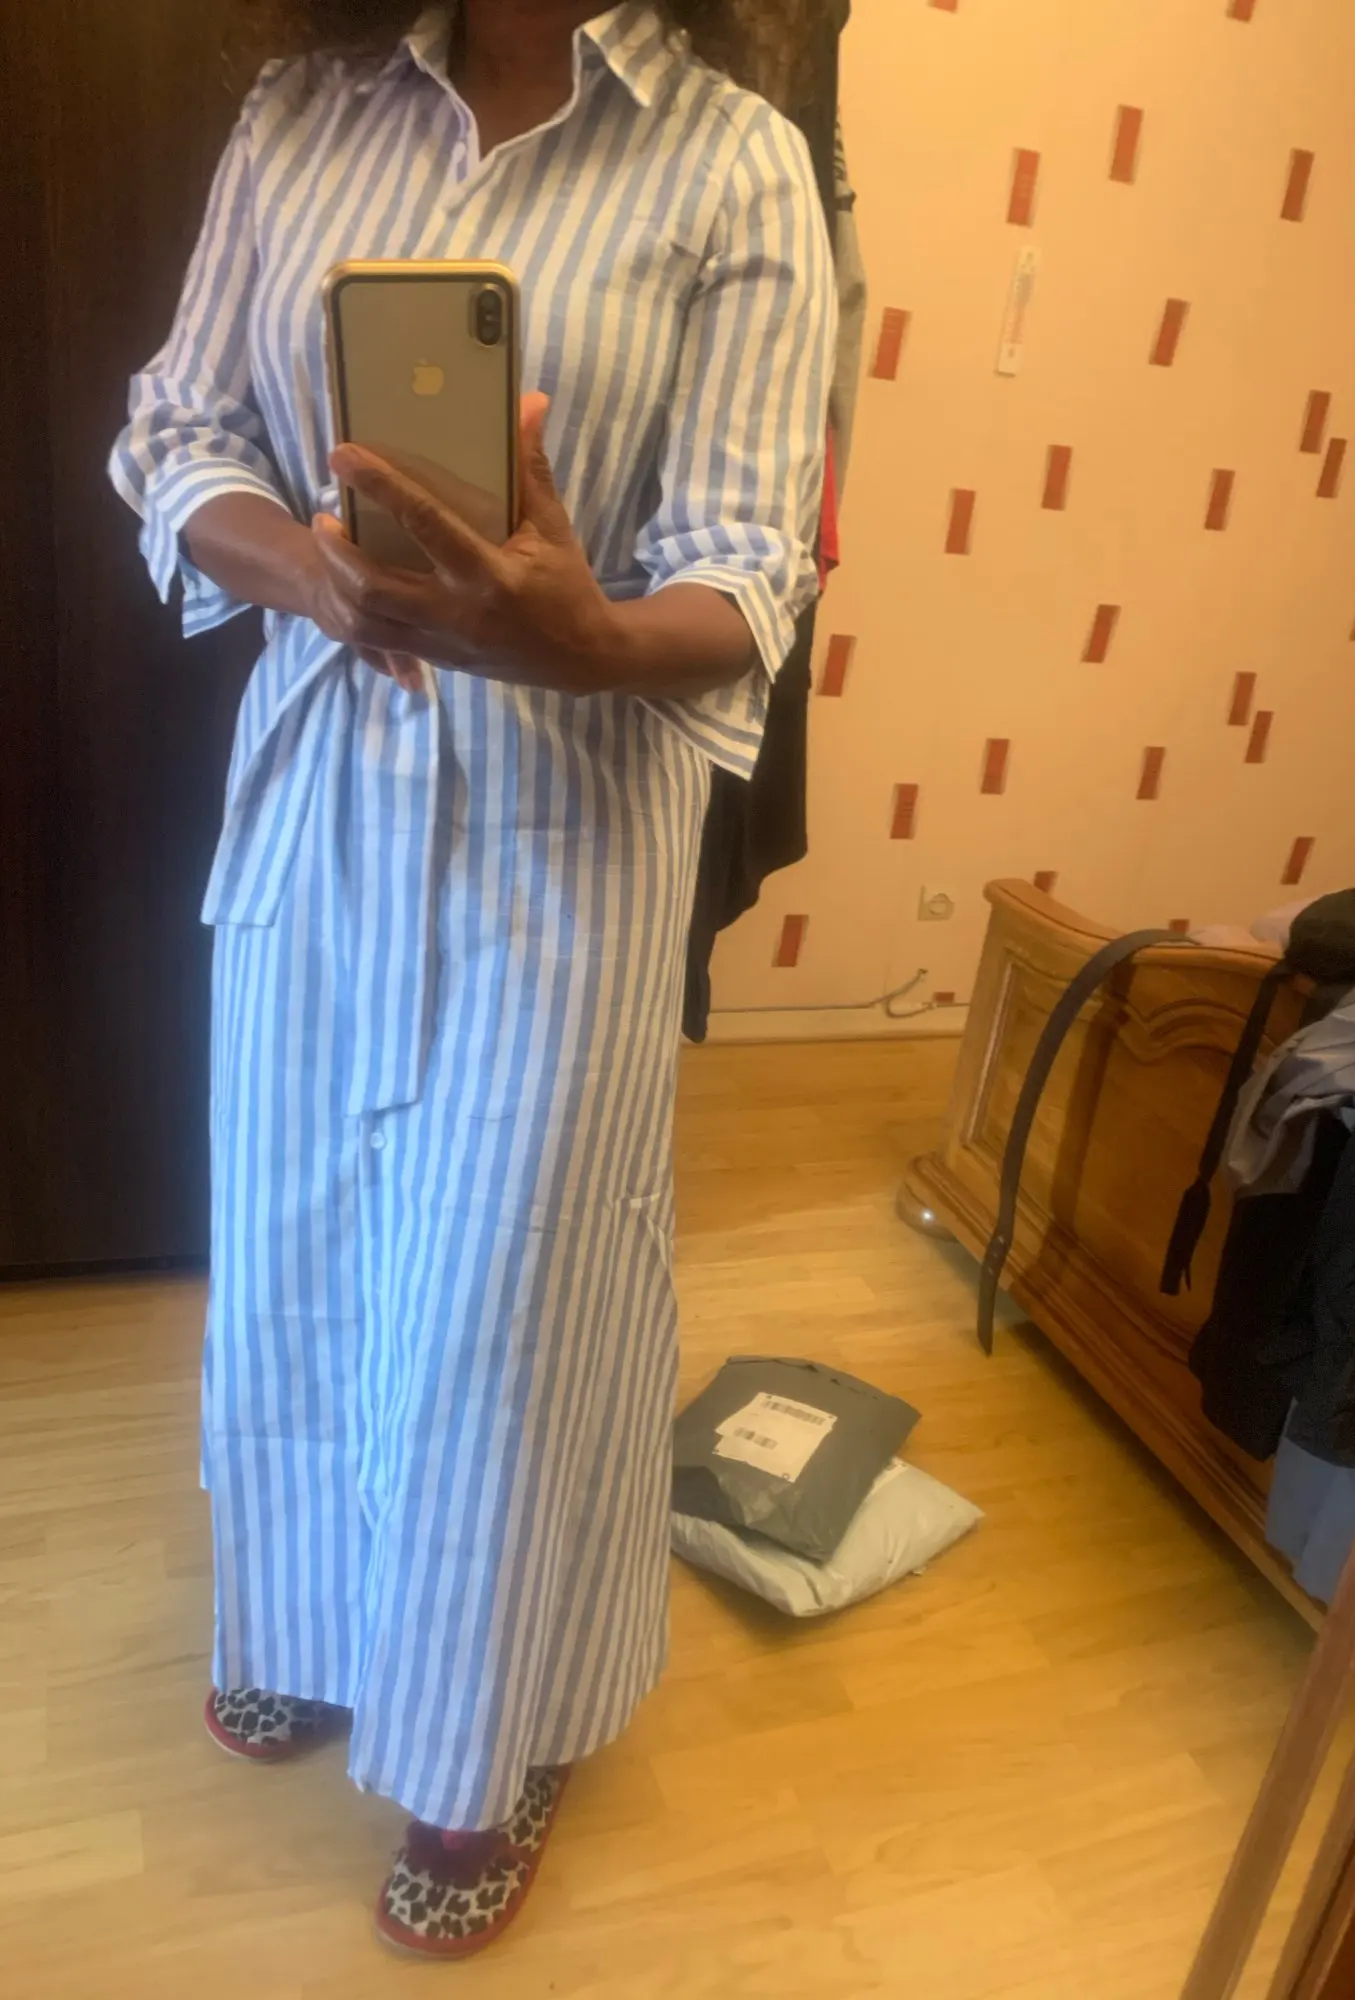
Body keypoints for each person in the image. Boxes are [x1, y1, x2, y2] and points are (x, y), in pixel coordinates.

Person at [108, 0, 833, 1960]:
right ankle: (311, 1621)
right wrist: (311, 572)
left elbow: (752, 560)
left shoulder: (735, 163)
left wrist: (580, 636)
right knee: (303, 1247)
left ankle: (480, 1732)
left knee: (507, 1299)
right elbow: (178, 424)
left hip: (565, 827)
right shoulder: (301, 114)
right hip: (318, 801)